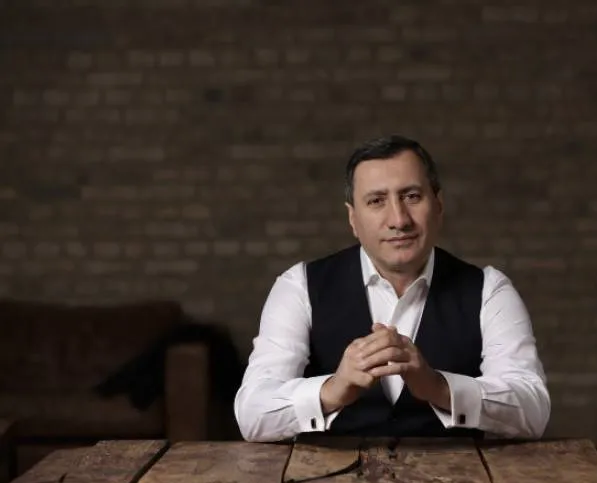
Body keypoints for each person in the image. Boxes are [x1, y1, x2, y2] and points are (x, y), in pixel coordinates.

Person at [234, 135, 550, 441]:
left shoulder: (489, 290)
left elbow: (534, 410)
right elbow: (252, 414)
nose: (399, 220)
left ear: (438, 205)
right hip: (322, 478)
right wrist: (332, 390)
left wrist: (440, 388)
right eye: (376, 201)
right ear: (353, 218)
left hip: (461, 477)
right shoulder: (299, 286)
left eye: (412, 196)